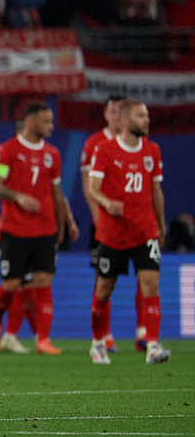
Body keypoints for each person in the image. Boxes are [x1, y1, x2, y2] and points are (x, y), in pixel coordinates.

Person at [0, 103, 79, 356]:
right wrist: (18, 197)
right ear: (31, 122)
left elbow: (56, 192)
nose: (51, 126)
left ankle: (43, 340)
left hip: (45, 229)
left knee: (43, 282)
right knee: (11, 285)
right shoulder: (6, 150)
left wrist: (65, 222)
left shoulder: (53, 154)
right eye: (46, 121)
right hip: (15, 229)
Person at [88, 99, 170, 366]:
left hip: (144, 230)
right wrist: (107, 202)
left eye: (146, 115)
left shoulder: (152, 151)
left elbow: (156, 191)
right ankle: (98, 342)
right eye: (140, 115)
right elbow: (93, 188)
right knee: (104, 289)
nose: (146, 120)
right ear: (124, 120)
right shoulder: (105, 149)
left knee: (151, 283)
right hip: (113, 233)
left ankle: (153, 345)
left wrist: (160, 224)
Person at [80, 95, 140, 353]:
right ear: (106, 114)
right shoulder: (94, 143)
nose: (116, 116)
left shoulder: (139, 143)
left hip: (135, 225)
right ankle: (104, 335)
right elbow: (88, 185)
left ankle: (144, 333)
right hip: (105, 223)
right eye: (112, 111)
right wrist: (98, 214)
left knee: (146, 275)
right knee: (103, 279)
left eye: (119, 111)